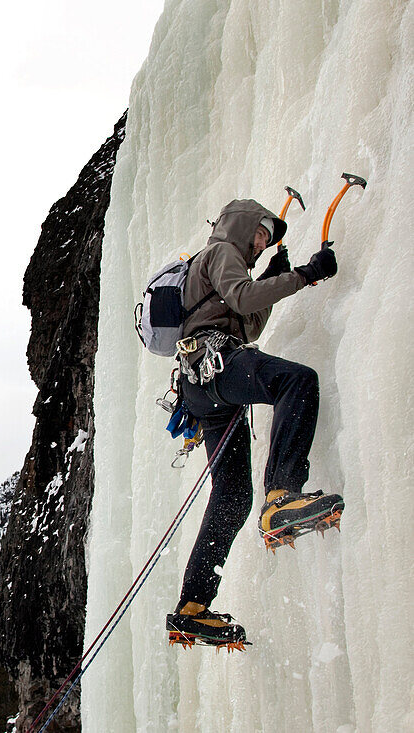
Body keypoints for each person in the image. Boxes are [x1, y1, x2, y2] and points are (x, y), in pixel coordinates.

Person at [164, 199, 344, 648]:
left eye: (267, 238)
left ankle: (193, 607)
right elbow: (242, 301)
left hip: (201, 384)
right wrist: (303, 275)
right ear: (242, 226)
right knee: (297, 382)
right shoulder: (221, 250)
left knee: (233, 494)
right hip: (218, 365)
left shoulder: (220, 266)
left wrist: (270, 279)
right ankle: (282, 493)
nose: (263, 242)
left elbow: (249, 324)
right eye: (261, 233)